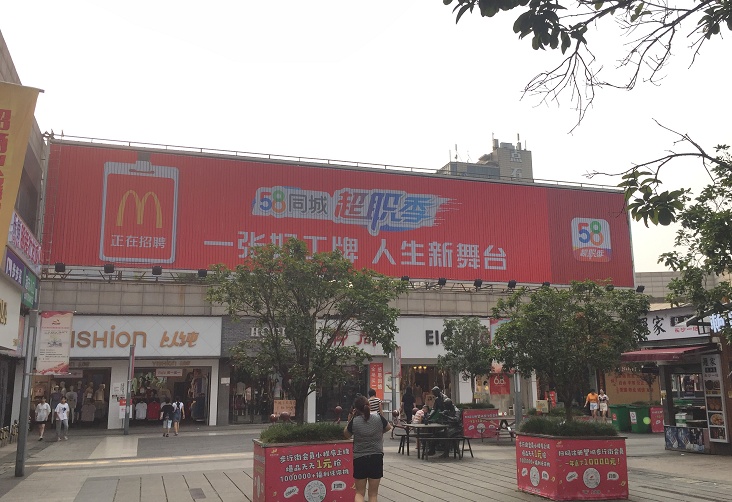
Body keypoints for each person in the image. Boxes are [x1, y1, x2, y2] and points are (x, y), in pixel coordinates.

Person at [343, 395, 391, 502]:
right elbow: (388, 427)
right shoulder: (378, 418)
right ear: (369, 405)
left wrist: (351, 418)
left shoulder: (355, 421)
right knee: (373, 494)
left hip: (359, 458)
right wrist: (378, 433)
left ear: (356, 409)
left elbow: (346, 434)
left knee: (359, 493)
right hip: (376, 457)